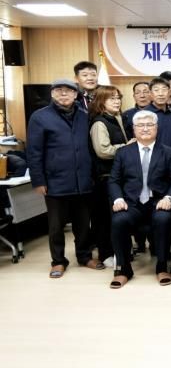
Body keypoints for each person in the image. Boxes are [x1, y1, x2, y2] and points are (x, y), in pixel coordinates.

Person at [27, 79, 101, 278]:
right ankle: (58, 261)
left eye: (68, 91)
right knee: (56, 225)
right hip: (55, 181)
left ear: (76, 94)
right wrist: (38, 180)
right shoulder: (40, 117)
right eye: (58, 90)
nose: (63, 94)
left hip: (83, 180)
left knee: (83, 223)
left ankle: (84, 256)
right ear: (52, 94)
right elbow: (33, 152)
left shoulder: (84, 115)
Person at [108, 111, 171, 288]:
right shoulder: (123, 152)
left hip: (157, 202)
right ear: (134, 129)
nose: (145, 128)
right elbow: (114, 180)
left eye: (149, 125)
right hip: (131, 203)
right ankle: (124, 269)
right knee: (118, 220)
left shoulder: (168, 152)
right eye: (141, 125)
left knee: (163, 218)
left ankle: (162, 266)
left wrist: (169, 198)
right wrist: (118, 199)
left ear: (156, 128)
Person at [89, 85, 130, 268]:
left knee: (118, 217)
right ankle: (105, 253)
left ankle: (119, 251)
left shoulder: (118, 118)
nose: (116, 101)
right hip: (104, 178)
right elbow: (103, 151)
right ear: (101, 102)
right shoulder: (99, 123)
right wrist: (127, 147)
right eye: (111, 98)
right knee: (104, 218)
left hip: (118, 176)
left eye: (118, 97)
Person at [144, 77, 171, 147]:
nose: (160, 94)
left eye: (164, 90)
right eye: (156, 90)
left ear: (169, 92)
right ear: (150, 93)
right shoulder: (143, 115)